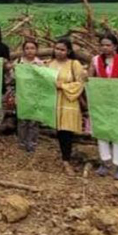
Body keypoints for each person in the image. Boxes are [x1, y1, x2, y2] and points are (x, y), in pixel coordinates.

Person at [88, 34, 118, 180]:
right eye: (103, 45)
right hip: (100, 102)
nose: (105, 48)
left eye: (108, 45)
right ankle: (105, 162)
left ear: (115, 46)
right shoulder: (95, 61)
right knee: (101, 131)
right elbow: (90, 79)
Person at [48, 37, 86, 170]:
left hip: (68, 101)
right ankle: (65, 157)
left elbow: (80, 83)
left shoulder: (74, 64)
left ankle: (66, 160)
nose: (59, 52)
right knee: (59, 130)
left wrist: (62, 86)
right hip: (54, 101)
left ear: (68, 51)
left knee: (66, 131)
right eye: (57, 49)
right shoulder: (50, 63)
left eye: (62, 49)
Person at [14, 39, 44, 153]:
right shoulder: (18, 62)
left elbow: (44, 81)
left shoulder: (40, 63)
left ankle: (32, 143)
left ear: (36, 50)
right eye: (27, 48)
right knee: (22, 121)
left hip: (35, 96)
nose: (29, 51)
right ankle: (21, 142)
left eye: (32, 48)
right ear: (23, 50)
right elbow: (13, 79)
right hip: (21, 95)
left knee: (34, 121)